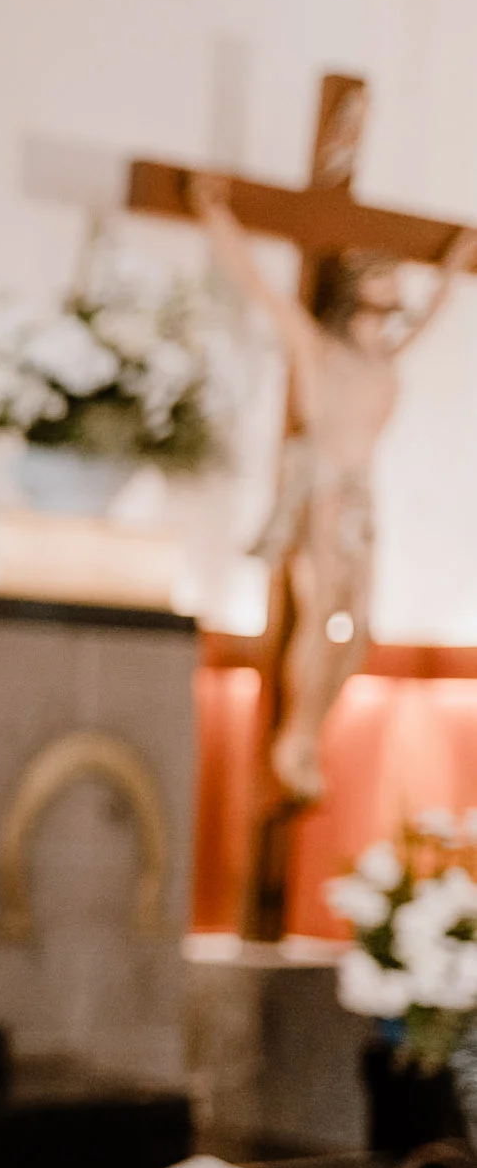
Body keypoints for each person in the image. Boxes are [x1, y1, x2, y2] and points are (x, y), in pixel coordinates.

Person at [191, 172, 477, 800]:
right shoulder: (320, 349)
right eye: (382, 276)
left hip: (362, 497)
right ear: (357, 289)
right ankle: (295, 735)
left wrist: (454, 266)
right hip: (320, 493)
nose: (394, 286)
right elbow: (259, 288)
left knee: (362, 629)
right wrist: (217, 217)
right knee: (321, 616)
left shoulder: (385, 357)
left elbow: (432, 317)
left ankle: (313, 730)